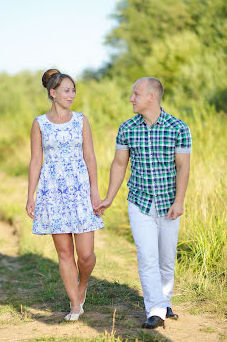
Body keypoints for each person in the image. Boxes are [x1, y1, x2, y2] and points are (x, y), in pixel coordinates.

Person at [95, 77, 192, 329]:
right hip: (140, 202)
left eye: (135, 94)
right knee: (147, 256)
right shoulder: (127, 128)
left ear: (152, 97)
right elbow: (119, 164)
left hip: (169, 203)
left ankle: (164, 301)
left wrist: (179, 201)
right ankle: (156, 310)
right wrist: (109, 198)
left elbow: (183, 167)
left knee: (166, 258)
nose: (131, 98)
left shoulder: (178, 128)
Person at [26, 69, 104, 321]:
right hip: (52, 192)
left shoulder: (81, 120)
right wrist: (31, 196)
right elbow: (36, 161)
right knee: (64, 253)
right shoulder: (40, 123)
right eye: (67, 90)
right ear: (53, 93)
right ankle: (73, 304)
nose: (71, 95)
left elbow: (90, 156)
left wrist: (94, 190)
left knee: (86, 255)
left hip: (80, 190)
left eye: (73, 90)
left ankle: (82, 287)